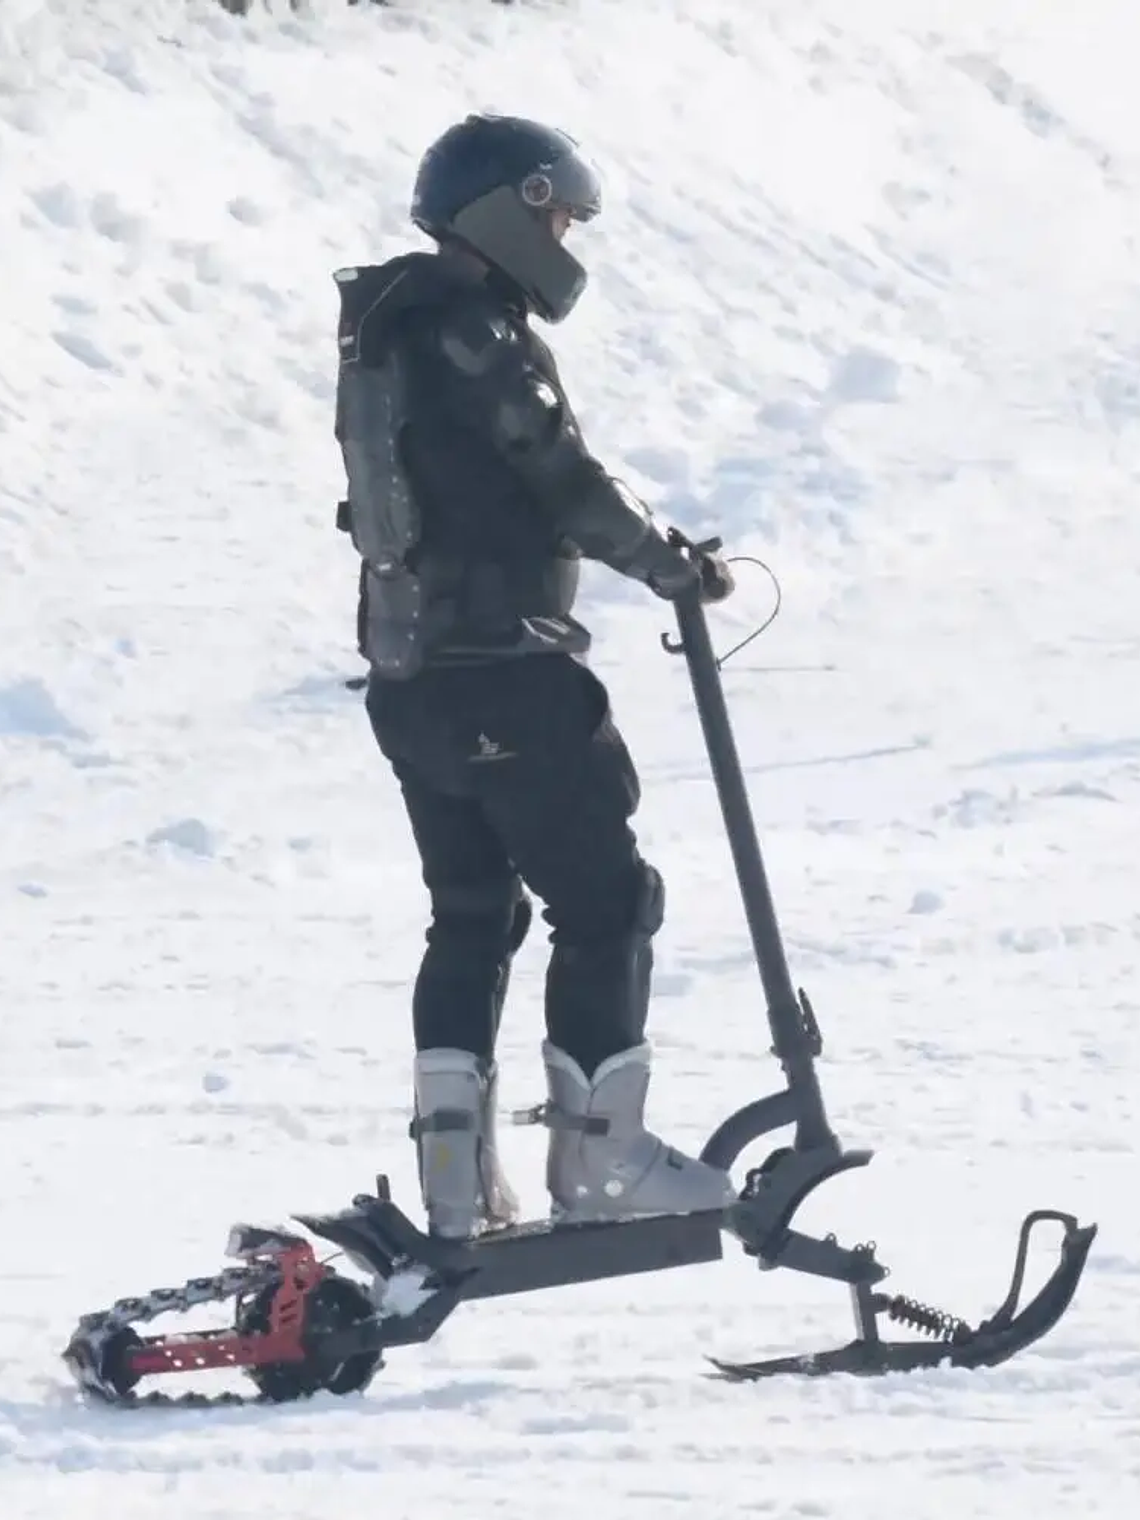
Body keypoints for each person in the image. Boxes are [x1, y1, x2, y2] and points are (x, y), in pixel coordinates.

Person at [333, 113, 737, 1240]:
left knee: (471, 912)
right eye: (555, 208)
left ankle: (457, 1180)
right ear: (508, 211)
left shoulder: (387, 329)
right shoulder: (476, 333)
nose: (566, 231)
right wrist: (672, 563)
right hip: (507, 674)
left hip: (411, 686)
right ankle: (604, 1165)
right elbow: (563, 477)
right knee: (609, 901)